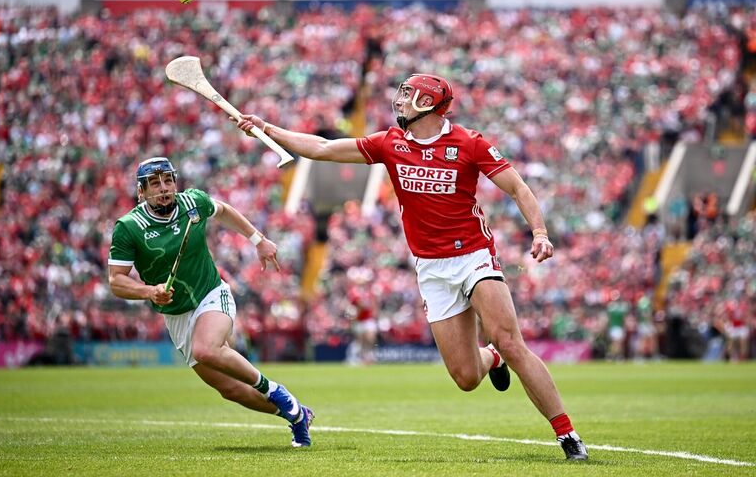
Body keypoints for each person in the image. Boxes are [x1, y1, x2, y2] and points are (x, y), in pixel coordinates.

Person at [236, 74, 588, 460]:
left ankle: (567, 435)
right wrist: (267, 128)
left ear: (431, 104)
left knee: (510, 340)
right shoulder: (390, 142)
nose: (400, 101)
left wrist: (539, 232)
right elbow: (321, 148)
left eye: (409, 95)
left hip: (473, 255)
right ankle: (493, 358)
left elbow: (518, 188)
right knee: (467, 378)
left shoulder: (469, 143)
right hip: (431, 268)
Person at [108, 157, 313, 447]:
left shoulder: (193, 203)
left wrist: (259, 240)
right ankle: (297, 416)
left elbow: (225, 211)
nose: (164, 188)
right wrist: (149, 292)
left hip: (212, 293)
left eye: (168, 181)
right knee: (231, 390)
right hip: (176, 314)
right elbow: (116, 280)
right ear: (141, 192)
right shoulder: (129, 227)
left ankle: (276, 391)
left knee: (206, 349)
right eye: (155, 184)